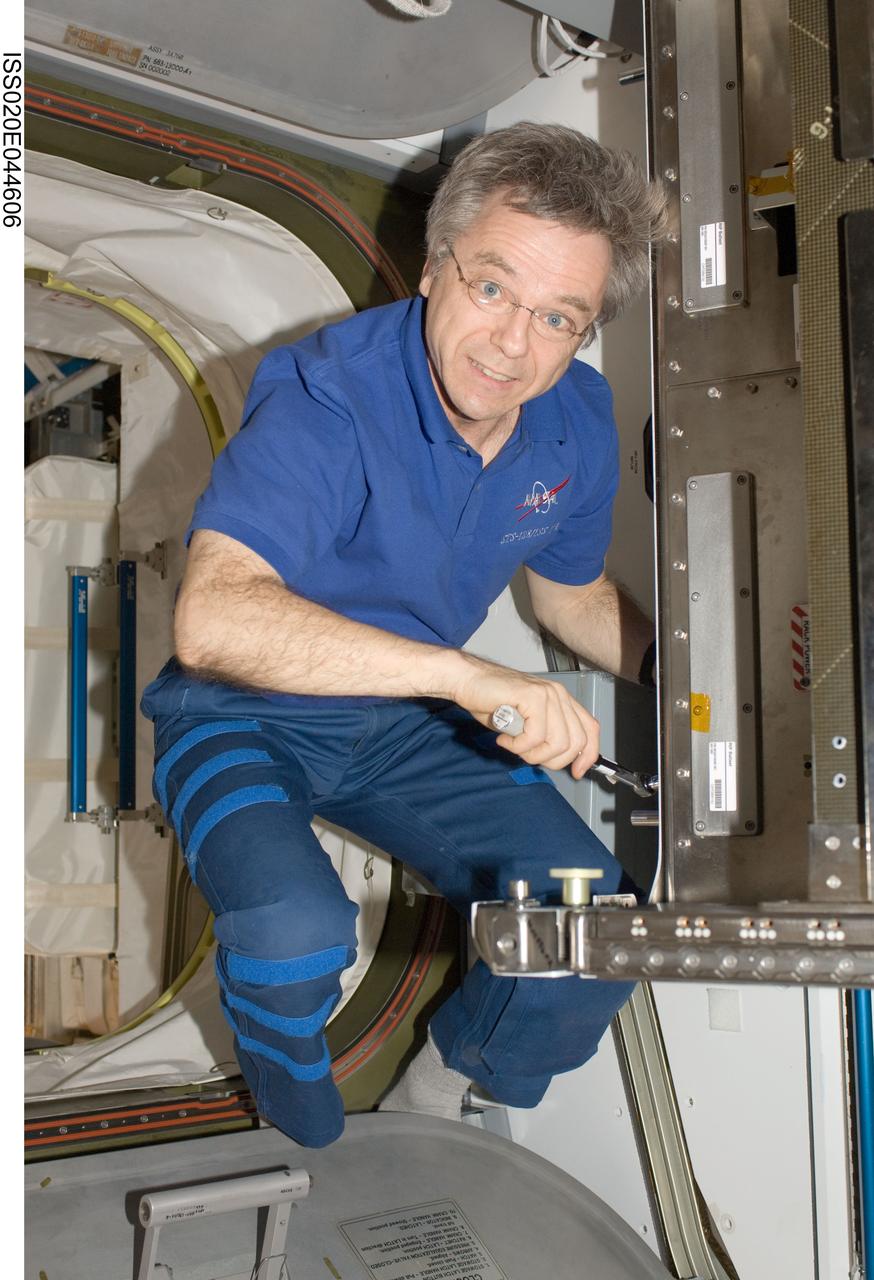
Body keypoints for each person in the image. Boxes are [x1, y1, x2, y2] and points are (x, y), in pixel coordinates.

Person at [141, 122, 668, 1148]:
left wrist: (710, 692)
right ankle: (296, 1126)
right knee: (295, 936)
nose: (515, 344)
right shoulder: (326, 395)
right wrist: (468, 678)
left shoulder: (575, 423)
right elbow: (211, 618)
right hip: (238, 714)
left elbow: (569, 598)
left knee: (594, 922)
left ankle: (448, 1085)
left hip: (399, 726)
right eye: (492, 289)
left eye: (559, 317)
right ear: (433, 270)